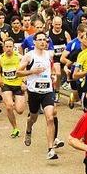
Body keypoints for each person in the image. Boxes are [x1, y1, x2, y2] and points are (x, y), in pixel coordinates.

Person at [17, 31, 62, 160]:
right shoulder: (29, 56)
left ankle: (50, 149)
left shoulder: (49, 55)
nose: (43, 42)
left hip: (47, 91)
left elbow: (51, 68)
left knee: (49, 118)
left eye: (45, 40)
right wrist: (32, 71)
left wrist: (53, 76)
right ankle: (29, 128)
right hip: (34, 92)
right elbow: (18, 72)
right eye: (40, 40)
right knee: (33, 117)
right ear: (34, 42)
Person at [0, 38, 25, 138]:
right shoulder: (0, 59)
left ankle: (16, 101)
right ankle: (15, 128)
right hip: (6, 84)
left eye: (10, 46)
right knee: (8, 106)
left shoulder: (20, 57)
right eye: (6, 46)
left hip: (18, 84)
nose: (8, 48)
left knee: (20, 110)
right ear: (3, 47)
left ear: (13, 47)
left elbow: (25, 70)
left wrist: (24, 82)